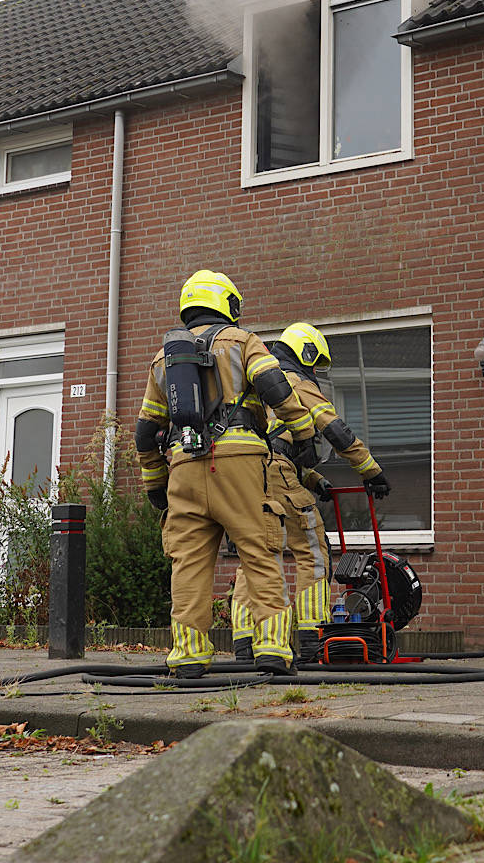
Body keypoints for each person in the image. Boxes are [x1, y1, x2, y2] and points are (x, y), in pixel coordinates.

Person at [135, 270, 315, 677]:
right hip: (240, 464)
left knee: (188, 564)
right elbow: (275, 387)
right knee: (259, 551)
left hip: (182, 466)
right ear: (227, 304)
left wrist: (155, 485)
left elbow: (146, 430)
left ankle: (188, 657)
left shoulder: (164, 358)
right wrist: (303, 433)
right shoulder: (244, 342)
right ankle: (271, 649)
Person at [228, 321, 391, 664]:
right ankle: (312, 638)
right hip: (276, 473)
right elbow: (333, 428)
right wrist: (371, 470)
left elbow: (275, 443)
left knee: (255, 555)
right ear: (307, 353)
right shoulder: (295, 380)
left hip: (244, 474)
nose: (316, 373)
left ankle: (245, 644)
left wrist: (315, 481)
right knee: (314, 549)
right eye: (316, 364)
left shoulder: (257, 382)